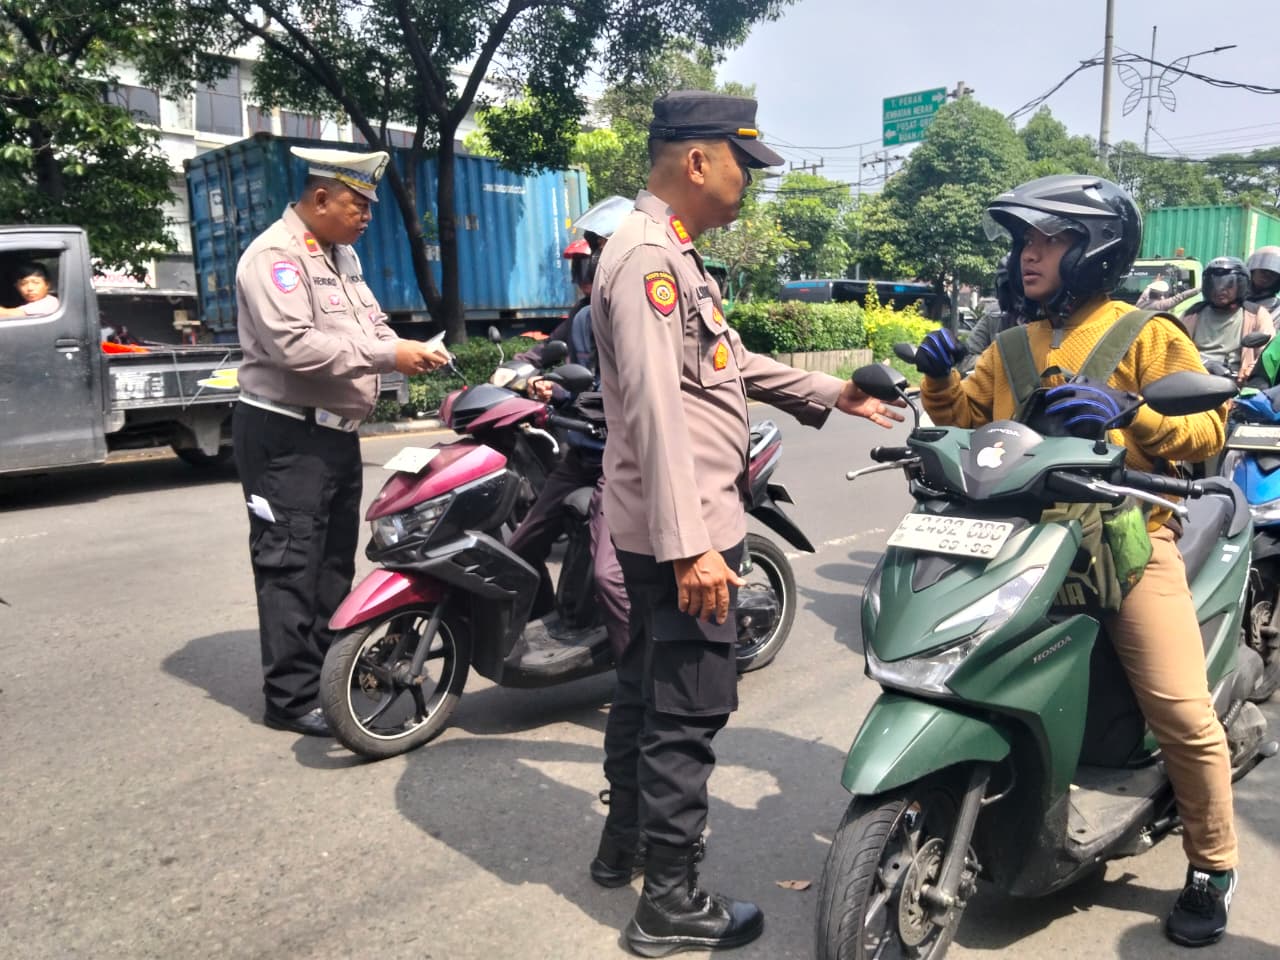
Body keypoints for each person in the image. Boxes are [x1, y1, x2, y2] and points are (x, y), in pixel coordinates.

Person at [591, 90, 903, 956]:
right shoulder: (650, 259)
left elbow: (720, 363)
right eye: (743, 164)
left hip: (664, 518)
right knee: (687, 710)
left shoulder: (670, 254)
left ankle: (624, 846)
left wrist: (830, 392)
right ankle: (672, 901)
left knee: (644, 690)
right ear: (698, 160)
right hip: (684, 525)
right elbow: (655, 408)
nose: (750, 184)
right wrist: (693, 544)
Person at [914, 173, 1238, 948]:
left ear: (1093, 250)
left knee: (1182, 711)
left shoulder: (1148, 334)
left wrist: (1137, 413)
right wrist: (940, 374)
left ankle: (1213, 864)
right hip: (1019, 541)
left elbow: (1207, 432)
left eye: (1048, 239)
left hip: (1125, 541)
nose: (1028, 254)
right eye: (1025, 240)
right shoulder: (1010, 343)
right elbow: (962, 419)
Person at [233, 147, 450, 737]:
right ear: (321, 198)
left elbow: (371, 325)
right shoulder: (275, 257)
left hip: (334, 435)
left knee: (331, 563)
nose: (365, 218)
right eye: (358, 205)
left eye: (369, 208)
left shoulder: (341, 256)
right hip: (285, 433)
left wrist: (407, 349)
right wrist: (387, 355)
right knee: (289, 563)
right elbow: (293, 346)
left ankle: (332, 670)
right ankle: (292, 696)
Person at [507, 195, 635, 658]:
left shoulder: (643, 315)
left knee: (609, 577)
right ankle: (543, 627)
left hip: (622, 464)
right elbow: (578, 380)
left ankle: (637, 682)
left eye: (605, 247)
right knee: (519, 547)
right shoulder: (581, 320)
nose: (597, 260)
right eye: (595, 248)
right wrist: (548, 389)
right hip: (581, 454)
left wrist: (567, 396)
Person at [1179, 256, 1274, 382]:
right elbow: (1175, 349)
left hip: (1235, 385)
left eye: (1229, 284)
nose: (1220, 289)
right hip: (1193, 379)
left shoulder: (1256, 314)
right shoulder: (1193, 313)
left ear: (1241, 286)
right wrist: (1207, 363)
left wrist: (1250, 370)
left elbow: (1267, 353)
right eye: (1214, 284)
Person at [960, 254, 1020, 371]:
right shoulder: (994, 317)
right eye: (1009, 289)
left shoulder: (1055, 320)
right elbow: (965, 360)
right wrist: (997, 361)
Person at [1246, 245, 1280, 317]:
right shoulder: (1234, 298)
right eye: (1263, 271)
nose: (1266, 276)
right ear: (1252, 271)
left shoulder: (1277, 309)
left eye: (1273, 273)